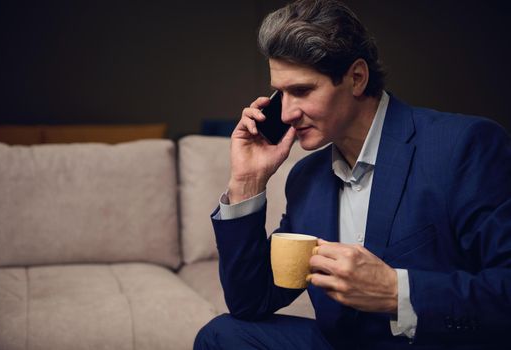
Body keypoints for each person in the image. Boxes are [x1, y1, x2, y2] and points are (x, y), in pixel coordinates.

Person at [194, 0, 511, 348]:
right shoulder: (306, 178)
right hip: (343, 342)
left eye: (301, 91)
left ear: (356, 78)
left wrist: (395, 290)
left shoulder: (463, 146)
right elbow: (250, 301)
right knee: (222, 335)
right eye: (280, 93)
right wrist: (246, 182)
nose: (285, 113)